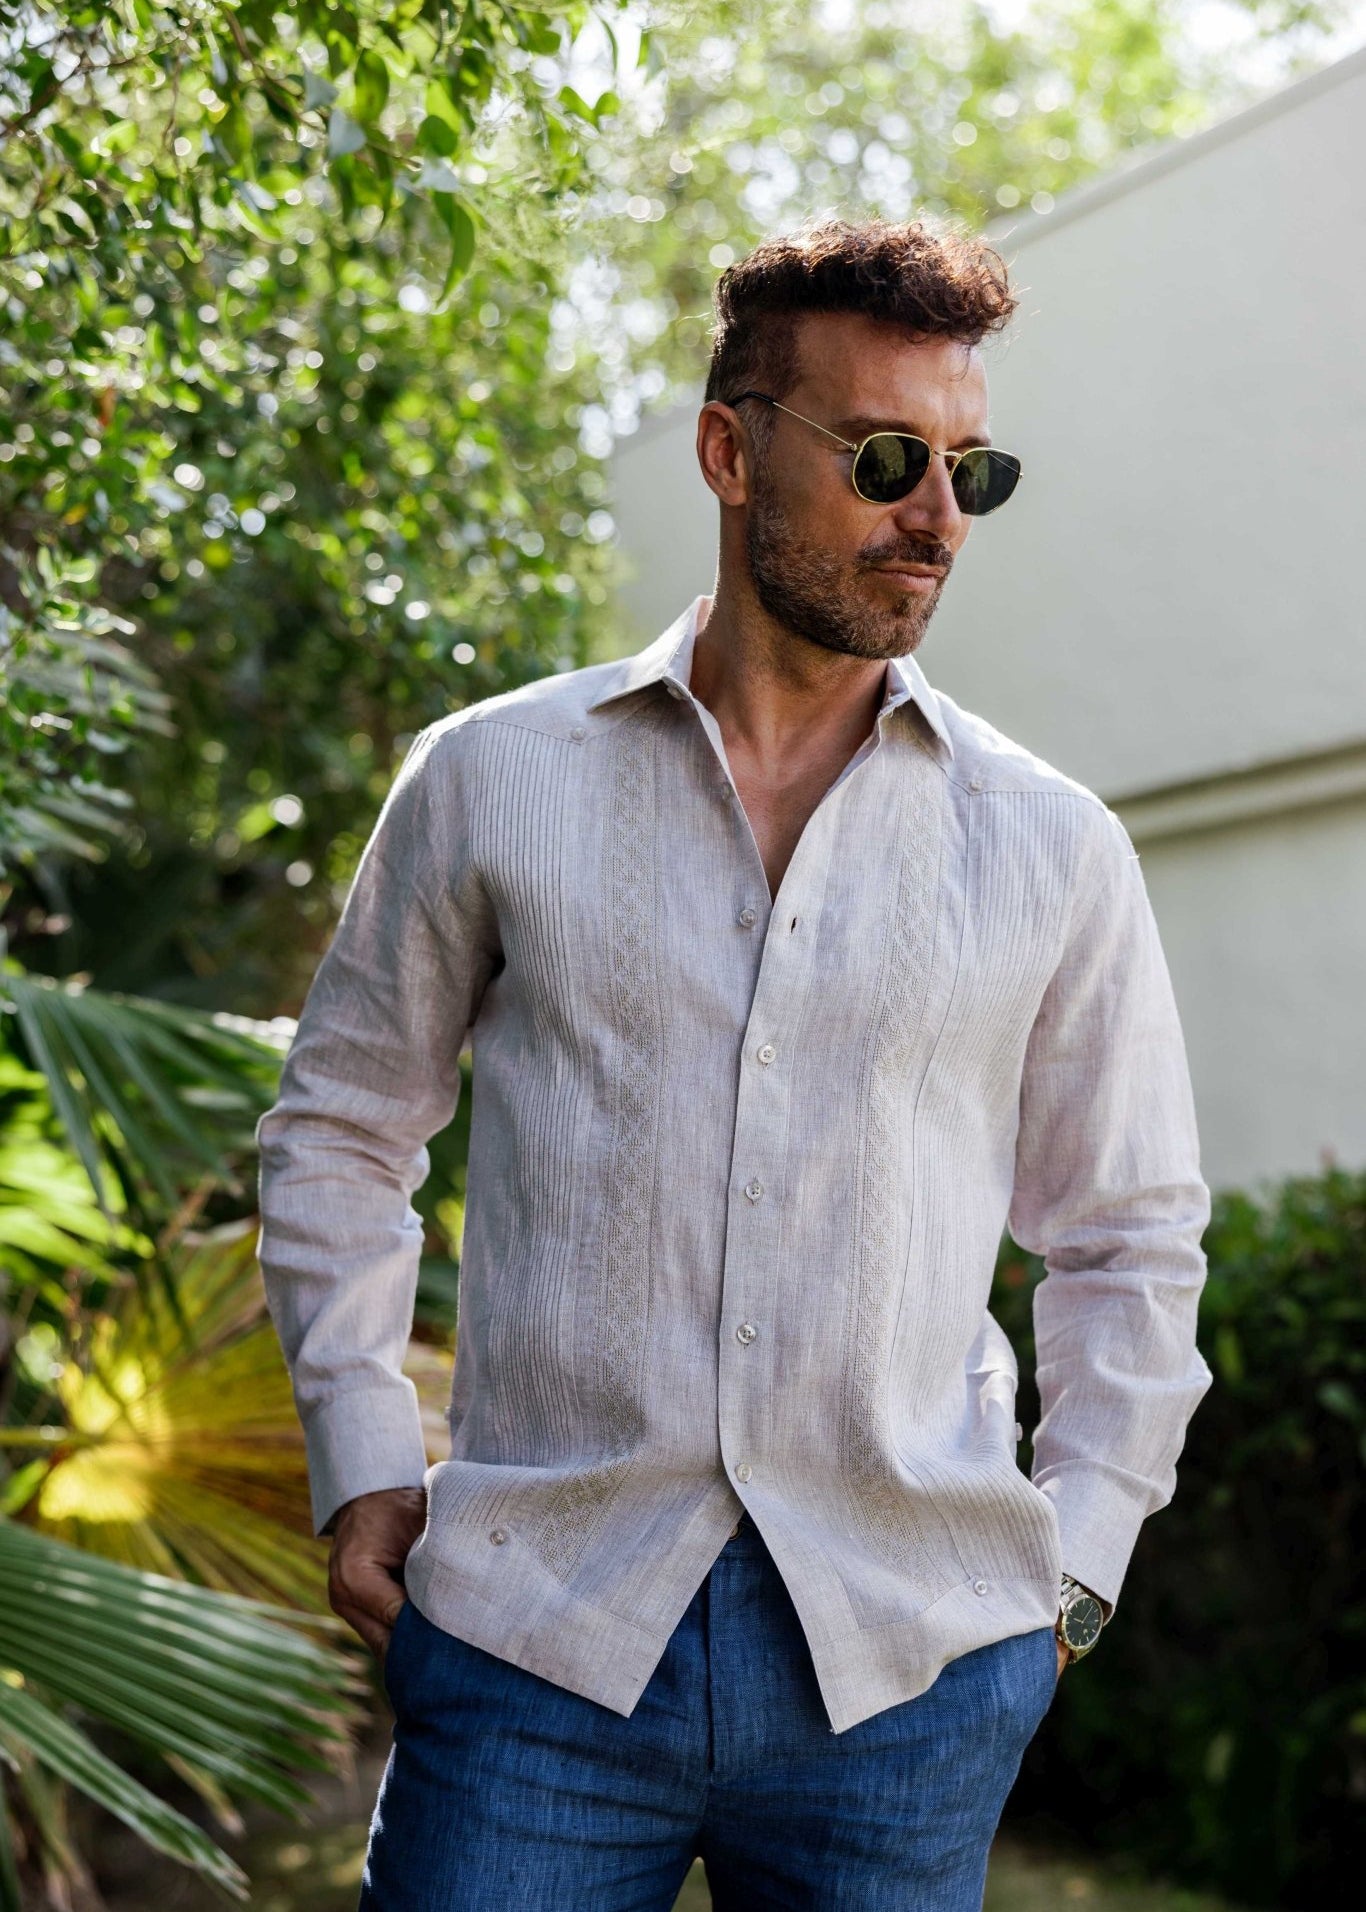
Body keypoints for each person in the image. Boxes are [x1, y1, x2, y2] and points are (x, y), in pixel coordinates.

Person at [255, 214, 1213, 1911]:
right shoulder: (490, 781)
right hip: (533, 1639)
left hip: (910, 1670)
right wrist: (360, 1459)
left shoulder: (1051, 846)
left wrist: (1072, 1573)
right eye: (888, 459)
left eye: (969, 473)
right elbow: (339, 1133)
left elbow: (1126, 1239)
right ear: (728, 447)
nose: (934, 519)